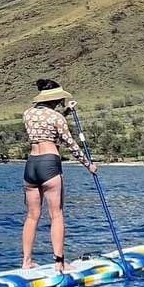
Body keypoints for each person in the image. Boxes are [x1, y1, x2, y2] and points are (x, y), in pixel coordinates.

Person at [22, 78, 97, 273]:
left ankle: (26, 261)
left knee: (32, 216)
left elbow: (45, 124)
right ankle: (59, 263)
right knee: (56, 215)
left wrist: (66, 112)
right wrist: (88, 165)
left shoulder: (28, 114)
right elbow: (70, 144)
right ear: (54, 98)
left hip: (31, 165)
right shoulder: (57, 118)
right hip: (49, 164)